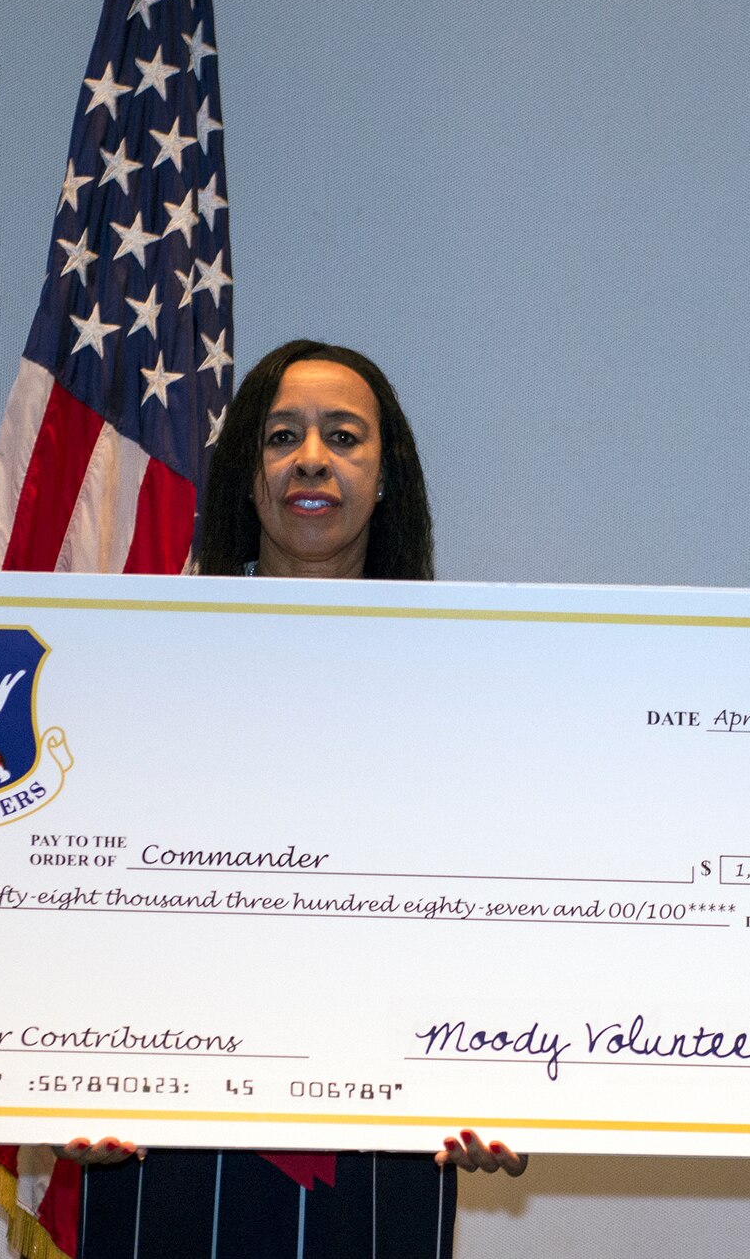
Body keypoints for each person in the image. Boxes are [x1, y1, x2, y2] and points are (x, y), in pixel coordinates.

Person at [65, 339, 519, 1259]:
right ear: (248, 474)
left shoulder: (468, 682)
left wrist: (508, 1074)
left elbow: (502, 904)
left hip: (390, 1136)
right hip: (160, 1132)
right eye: (282, 436)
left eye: (343, 436)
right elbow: (69, 878)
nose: (311, 456)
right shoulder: (137, 663)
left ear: (386, 478)